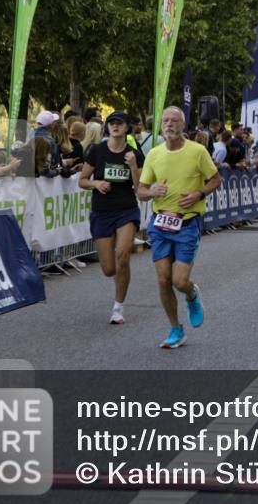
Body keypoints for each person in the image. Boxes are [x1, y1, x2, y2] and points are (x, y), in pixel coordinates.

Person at [136, 107, 221, 349]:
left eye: (175, 120)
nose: (169, 124)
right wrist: (152, 191)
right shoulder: (154, 154)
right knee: (163, 280)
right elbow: (141, 191)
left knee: (179, 281)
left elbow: (216, 179)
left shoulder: (197, 151)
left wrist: (198, 194)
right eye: (166, 120)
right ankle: (176, 329)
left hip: (187, 223)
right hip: (160, 223)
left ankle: (191, 294)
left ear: (183, 125)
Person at [80, 112, 145, 324]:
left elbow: (139, 188)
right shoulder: (97, 151)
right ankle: (120, 278)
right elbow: (82, 180)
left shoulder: (135, 154)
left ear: (126, 128)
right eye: (111, 123)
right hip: (102, 211)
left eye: (119, 123)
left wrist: (133, 166)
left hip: (126, 210)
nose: (115, 127)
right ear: (107, 128)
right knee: (109, 269)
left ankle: (118, 307)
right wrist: (96, 183)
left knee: (123, 257)